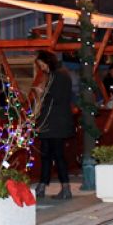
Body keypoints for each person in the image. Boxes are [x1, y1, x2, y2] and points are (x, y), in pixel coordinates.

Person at [33, 50, 74, 200]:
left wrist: (40, 93)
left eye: (42, 64)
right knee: (49, 154)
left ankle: (64, 188)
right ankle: (43, 185)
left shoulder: (57, 76)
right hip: (54, 123)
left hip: (53, 123)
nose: (41, 67)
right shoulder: (61, 75)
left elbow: (52, 99)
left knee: (54, 155)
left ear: (47, 62)